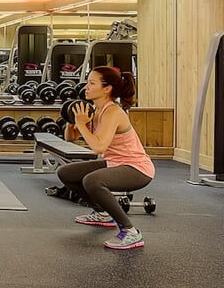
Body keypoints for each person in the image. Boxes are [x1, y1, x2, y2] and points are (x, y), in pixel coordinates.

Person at [57, 66, 154, 250]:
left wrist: (81, 124)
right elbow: (70, 138)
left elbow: (99, 146)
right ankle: (102, 213)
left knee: (92, 181)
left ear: (107, 89)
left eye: (92, 83)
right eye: (87, 82)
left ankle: (130, 232)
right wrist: (72, 123)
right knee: (66, 173)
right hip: (115, 163)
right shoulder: (94, 110)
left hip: (137, 168)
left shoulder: (113, 112)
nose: (86, 87)